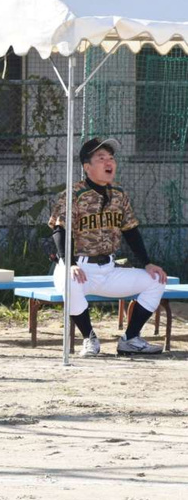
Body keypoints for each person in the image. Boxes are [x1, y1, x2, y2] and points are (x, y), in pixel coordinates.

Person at [49, 137, 167, 357]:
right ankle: (89, 338)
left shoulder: (119, 195)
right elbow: (59, 230)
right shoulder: (73, 194)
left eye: (111, 158)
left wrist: (147, 263)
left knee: (156, 280)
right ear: (87, 167)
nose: (108, 162)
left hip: (109, 270)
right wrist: (69, 263)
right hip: (79, 268)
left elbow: (130, 231)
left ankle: (130, 339)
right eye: (101, 158)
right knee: (69, 281)